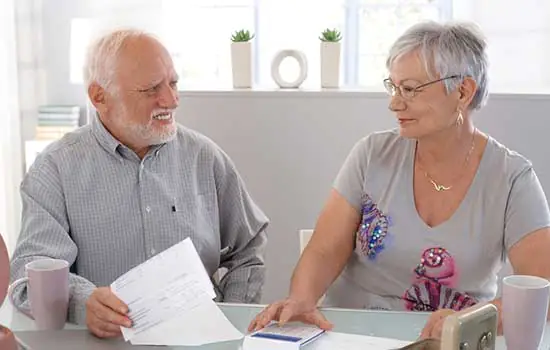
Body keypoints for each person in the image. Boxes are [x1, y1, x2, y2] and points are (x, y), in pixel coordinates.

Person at [249, 20, 550, 339]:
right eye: (393, 87)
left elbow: (542, 289)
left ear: (463, 91)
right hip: (351, 334)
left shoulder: (513, 178)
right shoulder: (372, 153)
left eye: (410, 89)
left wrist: (468, 321)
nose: (394, 103)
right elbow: (324, 248)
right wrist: (301, 298)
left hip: (449, 341)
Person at [10, 29, 269, 338]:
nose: (171, 101)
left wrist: (231, 320)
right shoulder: (54, 169)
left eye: (173, 83)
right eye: (151, 89)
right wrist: (83, 302)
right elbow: (30, 276)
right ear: (99, 97)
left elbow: (248, 250)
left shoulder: (205, 157)